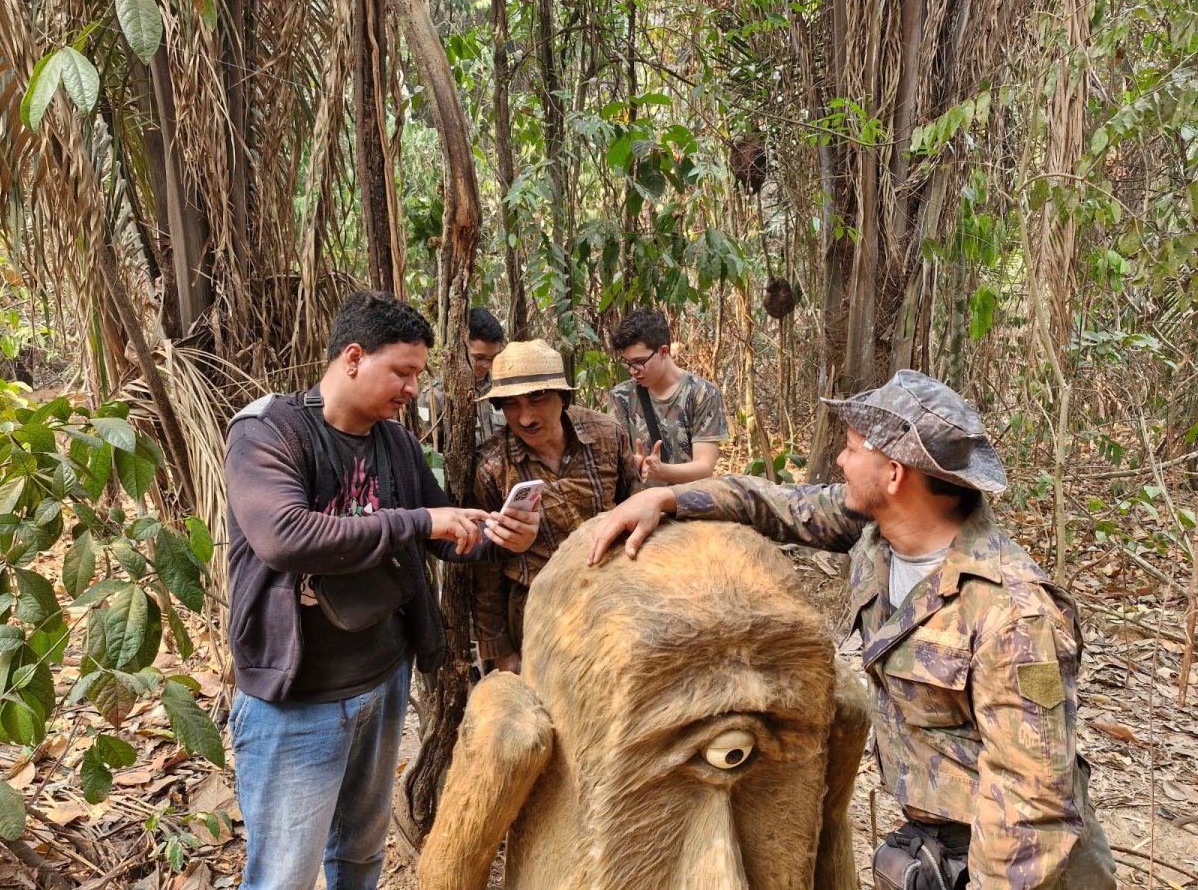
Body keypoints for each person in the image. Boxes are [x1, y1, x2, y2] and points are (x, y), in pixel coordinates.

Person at [588, 370, 1117, 890]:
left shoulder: (1014, 614)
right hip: (942, 840)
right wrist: (666, 498)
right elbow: (773, 504)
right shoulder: (878, 531)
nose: (840, 461)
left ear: (894, 475)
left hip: (1018, 864)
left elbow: (1033, 806)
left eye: (851, 449)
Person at [224, 291, 540, 890]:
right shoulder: (269, 432)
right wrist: (419, 521)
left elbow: (443, 533)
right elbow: (285, 537)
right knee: (283, 877)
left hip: (382, 680)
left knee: (361, 856)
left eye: (417, 374)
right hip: (298, 700)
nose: (413, 389)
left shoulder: (394, 443)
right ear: (352, 358)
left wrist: (500, 537)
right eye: (402, 372)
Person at [471, 339, 641, 673]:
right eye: (511, 404)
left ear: (562, 397)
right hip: (538, 610)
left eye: (537, 399)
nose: (525, 417)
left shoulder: (607, 436)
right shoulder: (492, 467)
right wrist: (500, 651)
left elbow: (635, 507)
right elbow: (486, 569)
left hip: (613, 597)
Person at [607, 307, 728, 486]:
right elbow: (613, 461)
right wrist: (629, 465)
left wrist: (662, 471)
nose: (632, 371)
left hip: (687, 499)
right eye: (628, 363)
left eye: (639, 362)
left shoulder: (703, 394)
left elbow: (704, 467)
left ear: (663, 351)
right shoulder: (621, 396)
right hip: (638, 499)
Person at [418, 306, 507, 447]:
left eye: (493, 358)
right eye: (479, 358)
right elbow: (425, 450)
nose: (486, 365)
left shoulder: (503, 388)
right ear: (461, 349)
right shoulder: (434, 396)